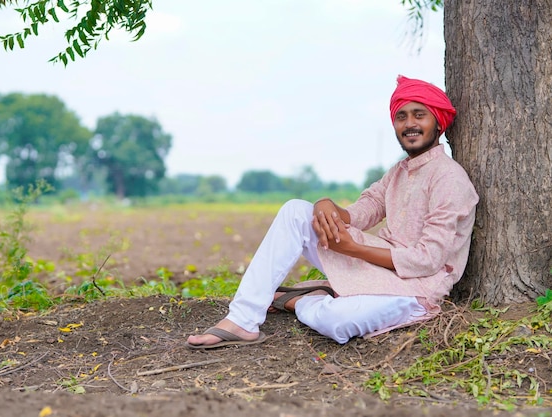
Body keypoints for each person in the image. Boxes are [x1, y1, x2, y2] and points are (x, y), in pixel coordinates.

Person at [186, 75, 479, 349]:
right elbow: (366, 209)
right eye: (401, 116)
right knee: (296, 211)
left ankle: (297, 301)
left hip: (417, 289)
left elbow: (427, 261)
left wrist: (352, 248)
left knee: (336, 322)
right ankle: (242, 320)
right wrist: (325, 205)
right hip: (378, 266)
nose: (409, 124)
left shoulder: (449, 179)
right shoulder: (398, 172)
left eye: (419, 115)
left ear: (438, 124)